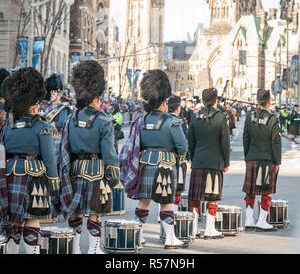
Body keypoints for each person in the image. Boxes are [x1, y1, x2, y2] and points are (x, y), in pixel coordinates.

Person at [58, 60, 120, 254]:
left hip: (75, 172)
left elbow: (64, 148)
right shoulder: (104, 120)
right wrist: (114, 177)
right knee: (95, 213)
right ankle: (94, 250)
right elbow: (109, 153)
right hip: (97, 173)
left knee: (76, 213)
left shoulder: (71, 118)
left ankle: (75, 249)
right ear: (97, 97)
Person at [122, 70, 188, 250]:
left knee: (144, 202)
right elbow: (183, 146)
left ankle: (139, 236)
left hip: (144, 164)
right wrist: (179, 157)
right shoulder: (172, 122)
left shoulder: (140, 121)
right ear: (164, 102)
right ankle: (170, 238)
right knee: (166, 203)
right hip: (165, 164)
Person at [0, 67, 59, 254]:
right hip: (35, 178)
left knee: (13, 222)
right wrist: (54, 184)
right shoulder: (42, 126)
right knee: (33, 220)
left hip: (10, 176)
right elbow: (49, 159)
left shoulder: (7, 127)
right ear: (35, 103)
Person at [188, 88, 230, 239]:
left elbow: (190, 143)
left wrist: (193, 159)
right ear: (216, 101)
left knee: (195, 198)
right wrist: (226, 162)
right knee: (212, 197)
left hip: (198, 161)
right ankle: (209, 229)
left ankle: (193, 229)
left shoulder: (194, 117)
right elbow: (225, 142)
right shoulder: (220, 117)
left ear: (202, 101)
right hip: (215, 162)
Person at [242, 89, 282, 231]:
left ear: (257, 101)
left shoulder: (249, 117)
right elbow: (276, 142)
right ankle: (261, 221)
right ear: (269, 101)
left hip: (252, 157)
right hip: (267, 159)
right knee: (266, 191)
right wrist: (277, 162)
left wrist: (247, 156)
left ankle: (249, 220)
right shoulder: (272, 118)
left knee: (250, 191)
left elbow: (245, 138)